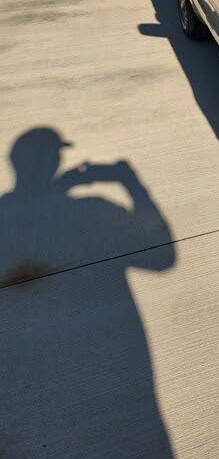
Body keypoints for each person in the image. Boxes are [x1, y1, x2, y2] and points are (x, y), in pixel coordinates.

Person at [0, 127, 175, 457]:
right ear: (54, 161)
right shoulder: (93, 209)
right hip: (121, 380)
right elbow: (162, 257)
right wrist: (132, 183)